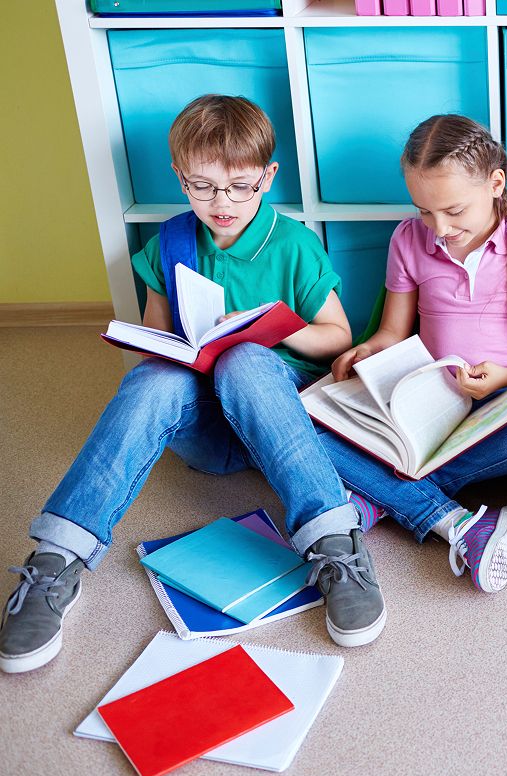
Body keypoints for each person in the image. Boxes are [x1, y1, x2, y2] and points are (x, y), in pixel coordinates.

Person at [0, 95, 387, 674]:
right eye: (202, 187)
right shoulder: (173, 241)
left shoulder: (293, 243)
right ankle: (58, 559)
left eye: (239, 186)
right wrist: (164, 348)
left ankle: (335, 543)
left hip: (278, 423)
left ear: (268, 176)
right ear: (181, 179)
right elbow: (158, 334)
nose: (222, 202)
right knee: (154, 379)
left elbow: (338, 336)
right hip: (206, 429)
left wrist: (269, 325)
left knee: (247, 361)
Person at [323, 115, 507, 594]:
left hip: (503, 404)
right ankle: (413, 490)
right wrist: (365, 353)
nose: (439, 228)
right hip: (427, 404)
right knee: (306, 416)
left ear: (495, 183)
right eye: (425, 211)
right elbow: (391, 334)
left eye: (453, 211)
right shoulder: (408, 239)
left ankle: (389, 491)